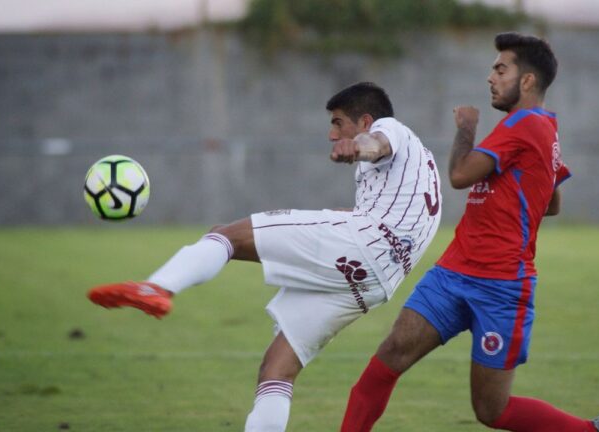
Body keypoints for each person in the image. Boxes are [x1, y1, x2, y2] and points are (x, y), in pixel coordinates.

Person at [87, 81, 443, 432]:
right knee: (277, 368)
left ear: (365, 121)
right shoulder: (419, 164)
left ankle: (157, 287)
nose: (332, 135)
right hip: (377, 281)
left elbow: (376, 143)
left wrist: (359, 146)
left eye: (337, 123)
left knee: (225, 235)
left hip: (363, 245)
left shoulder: (388, 129)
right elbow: (380, 209)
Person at [340, 32, 599, 432]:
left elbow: (458, 175)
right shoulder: (542, 127)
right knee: (387, 360)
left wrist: (466, 127)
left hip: (502, 287)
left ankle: (590, 431)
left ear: (527, 81)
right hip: (454, 273)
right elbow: (552, 203)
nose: (491, 77)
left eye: (501, 69)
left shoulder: (522, 126)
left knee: (492, 411)